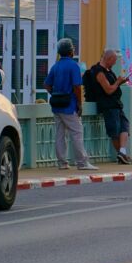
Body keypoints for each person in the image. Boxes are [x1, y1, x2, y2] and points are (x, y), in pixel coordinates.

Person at [46, 38, 93, 170]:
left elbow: (47, 84)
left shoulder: (55, 66)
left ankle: (62, 162)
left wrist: (55, 94)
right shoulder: (73, 66)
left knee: (60, 134)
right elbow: (77, 87)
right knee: (77, 132)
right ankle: (82, 162)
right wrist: (79, 104)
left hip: (56, 105)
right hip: (69, 105)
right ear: (71, 52)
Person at [84, 48, 132, 164]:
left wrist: (120, 82)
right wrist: (117, 82)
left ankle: (122, 152)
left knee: (125, 127)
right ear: (109, 59)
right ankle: (122, 155)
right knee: (114, 132)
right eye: (114, 61)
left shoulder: (109, 71)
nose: (115, 63)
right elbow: (108, 90)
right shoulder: (98, 72)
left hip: (116, 104)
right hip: (108, 106)